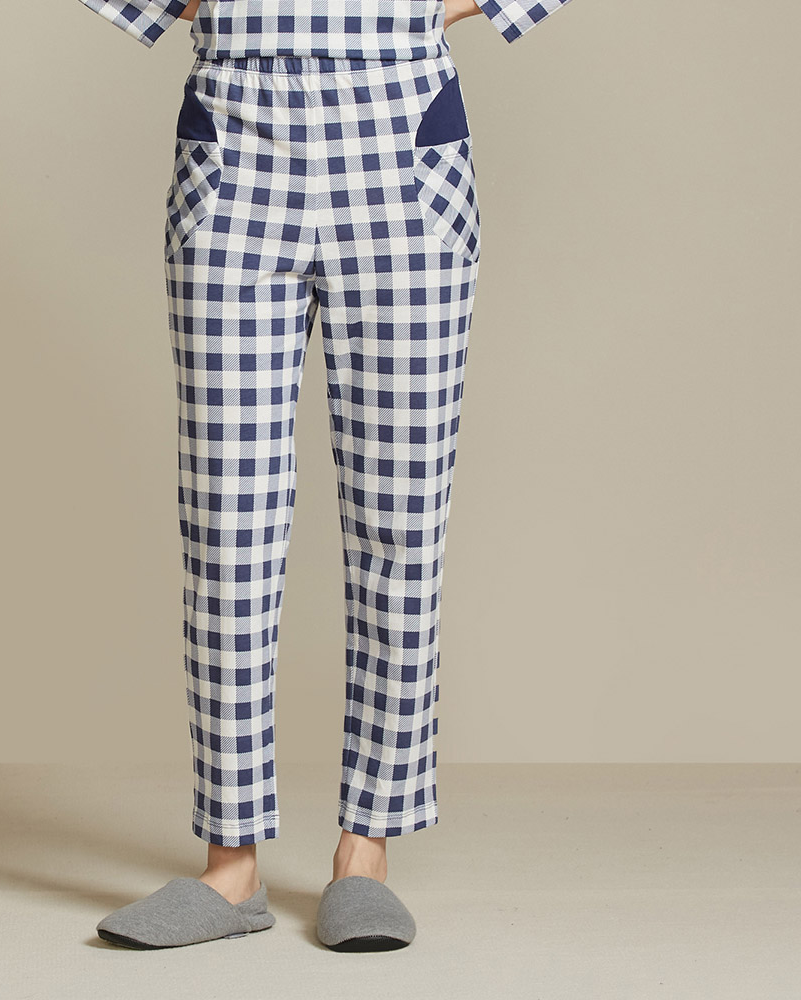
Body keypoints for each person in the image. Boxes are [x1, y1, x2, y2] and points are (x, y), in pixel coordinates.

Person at [77, 0, 575, 951]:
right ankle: (231, 866)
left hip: (400, 136)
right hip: (236, 140)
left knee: (402, 520)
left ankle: (365, 852)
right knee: (226, 522)